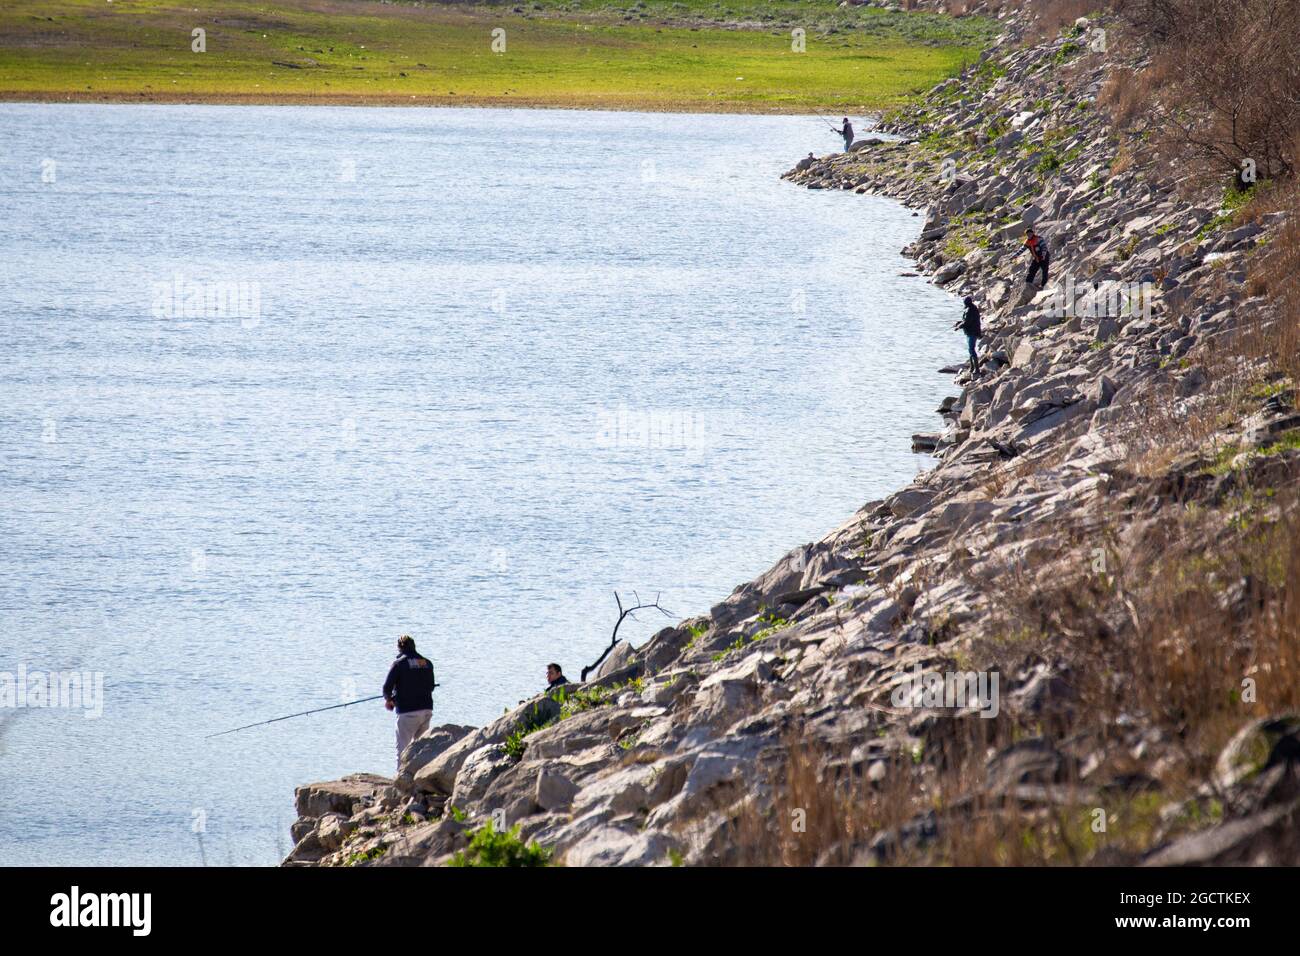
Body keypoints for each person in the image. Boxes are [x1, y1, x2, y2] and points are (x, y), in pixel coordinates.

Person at [383, 635, 436, 763]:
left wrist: (389, 700)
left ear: (399, 648)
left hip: (407, 713)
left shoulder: (399, 664)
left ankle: (401, 780)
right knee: (421, 750)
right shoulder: (427, 663)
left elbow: (386, 688)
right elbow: (431, 687)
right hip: (426, 710)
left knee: (403, 750)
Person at [956, 296, 982, 375]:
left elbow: (967, 322)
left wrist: (959, 326)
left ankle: (976, 369)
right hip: (970, 332)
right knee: (970, 349)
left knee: (971, 349)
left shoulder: (970, 310)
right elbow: (966, 320)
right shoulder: (971, 308)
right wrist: (959, 323)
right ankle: (972, 367)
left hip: (972, 332)